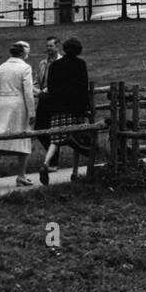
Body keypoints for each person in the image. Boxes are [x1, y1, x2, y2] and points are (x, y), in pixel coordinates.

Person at [0, 42, 36, 188]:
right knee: (23, 138)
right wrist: (32, 112)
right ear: (22, 53)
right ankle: (21, 175)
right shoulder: (25, 68)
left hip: (2, 103)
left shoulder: (2, 67)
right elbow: (28, 92)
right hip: (18, 105)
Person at [40, 37, 91, 185]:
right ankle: (74, 172)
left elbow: (50, 86)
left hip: (57, 106)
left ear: (65, 49)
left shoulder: (55, 65)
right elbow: (83, 87)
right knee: (76, 139)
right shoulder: (80, 64)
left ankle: (45, 163)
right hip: (75, 107)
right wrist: (86, 106)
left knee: (55, 139)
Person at [33, 36, 62, 177]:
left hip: (54, 98)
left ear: (57, 46)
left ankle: (53, 162)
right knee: (39, 129)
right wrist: (36, 90)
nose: (48, 48)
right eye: (47, 46)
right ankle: (52, 159)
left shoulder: (61, 62)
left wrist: (46, 90)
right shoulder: (43, 63)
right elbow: (37, 80)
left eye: (51, 46)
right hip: (43, 99)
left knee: (53, 130)